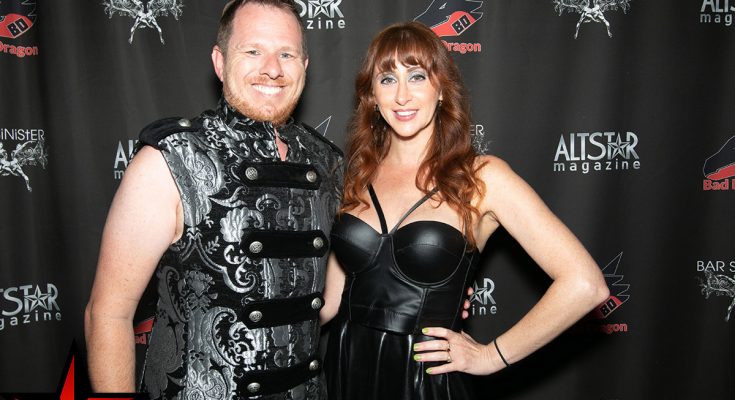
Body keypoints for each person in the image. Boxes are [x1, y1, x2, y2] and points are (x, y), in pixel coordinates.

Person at [319, 21, 610, 399]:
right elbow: (330, 303)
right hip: (346, 368)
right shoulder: (356, 175)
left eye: (417, 76)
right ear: (372, 95)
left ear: (441, 89)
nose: (402, 95)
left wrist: (491, 356)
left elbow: (585, 284)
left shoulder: (482, 177)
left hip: (426, 380)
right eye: (388, 79)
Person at [84, 1, 343, 398]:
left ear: (304, 66)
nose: (272, 68)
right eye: (253, 51)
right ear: (220, 62)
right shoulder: (172, 159)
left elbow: (327, 301)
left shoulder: (327, 162)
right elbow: (108, 314)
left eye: (287, 54)